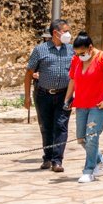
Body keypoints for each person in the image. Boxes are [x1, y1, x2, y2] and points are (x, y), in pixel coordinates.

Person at [63, 33, 103, 184]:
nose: (79, 56)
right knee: (81, 138)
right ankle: (100, 159)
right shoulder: (76, 59)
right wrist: (67, 98)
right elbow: (73, 80)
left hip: (99, 105)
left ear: (90, 47)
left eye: (82, 53)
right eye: (77, 53)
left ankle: (88, 170)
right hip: (82, 103)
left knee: (92, 136)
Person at [24, 19, 74, 173]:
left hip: (64, 95)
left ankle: (57, 161)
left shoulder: (71, 50)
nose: (68, 34)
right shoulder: (40, 50)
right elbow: (29, 73)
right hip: (43, 95)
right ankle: (48, 157)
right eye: (65, 31)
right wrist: (27, 97)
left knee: (61, 126)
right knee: (46, 127)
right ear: (55, 33)